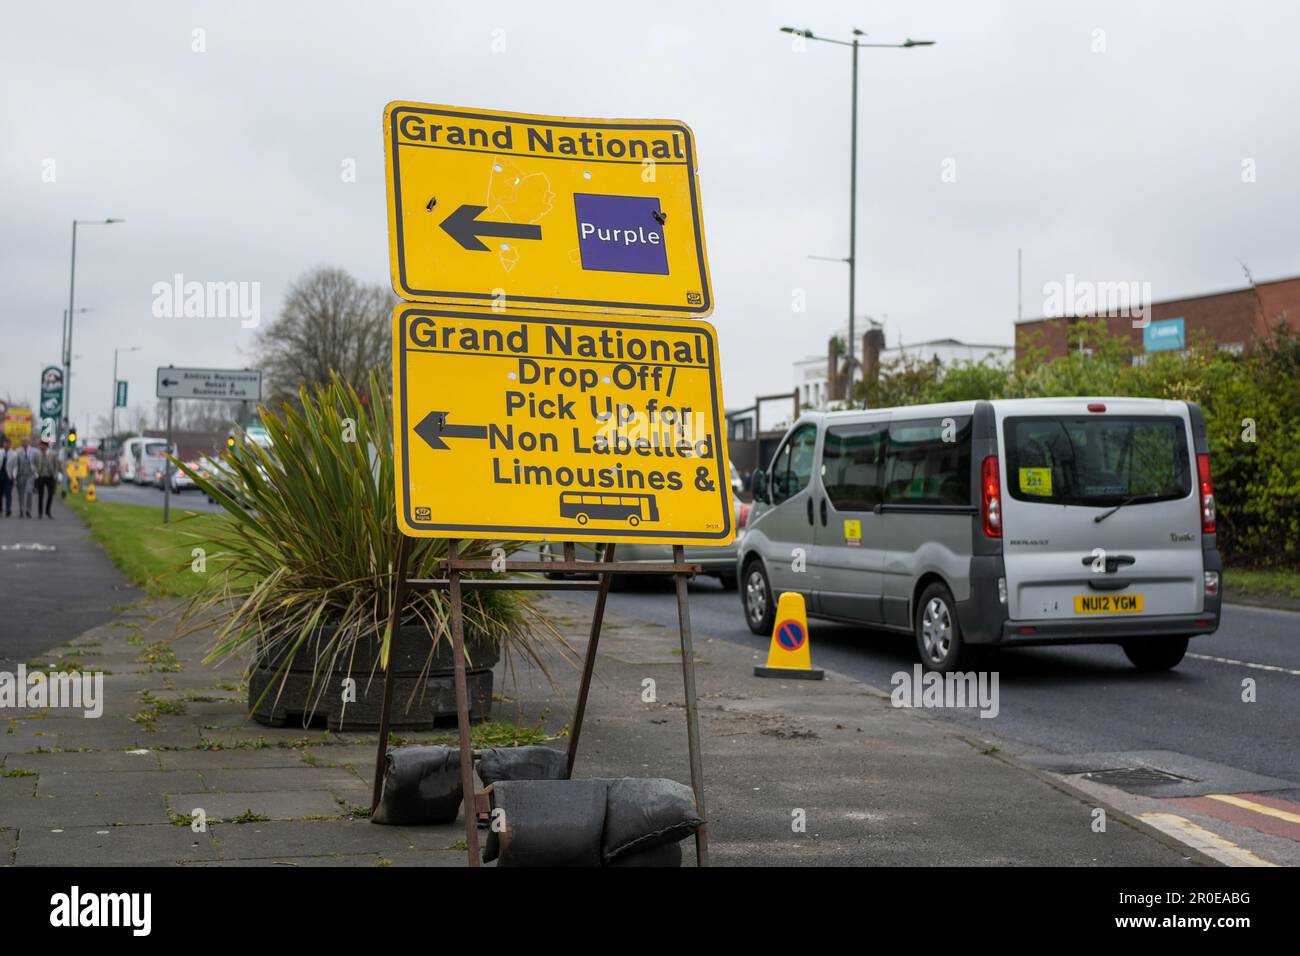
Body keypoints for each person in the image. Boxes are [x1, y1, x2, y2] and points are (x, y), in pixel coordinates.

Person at [7, 437, 36, 518]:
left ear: (29, 442)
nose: (25, 444)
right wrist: (14, 475)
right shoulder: (18, 452)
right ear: (21, 443)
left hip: (30, 475)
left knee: (29, 492)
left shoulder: (34, 451)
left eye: (26, 442)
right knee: (21, 494)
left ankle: (28, 510)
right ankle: (21, 510)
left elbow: (36, 462)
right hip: (20, 475)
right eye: (23, 442)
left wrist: (36, 472)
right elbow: (16, 464)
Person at [34, 439, 58, 518]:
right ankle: (40, 513)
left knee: (50, 494)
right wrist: (36, 472)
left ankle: (48, 511)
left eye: (42, 445)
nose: (41, 447)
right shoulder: (37, 454)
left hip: (50, 476)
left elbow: (56, 465)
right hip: (41, 476)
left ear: (46, 446)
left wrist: (54, 474)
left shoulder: (53, 454)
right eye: (40, 445)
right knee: (40, 495)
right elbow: (34, 463)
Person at [0, 436, 12, 517]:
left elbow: (15, 466)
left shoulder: (14, 454)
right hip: (0, 474)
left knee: (8, 493)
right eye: (5, 443)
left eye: (7, 443)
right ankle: (0, 509)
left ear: (10, 444)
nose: (6, 445)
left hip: (8, 475)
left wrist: (14, 474)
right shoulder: (0, 452)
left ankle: (8, 509)